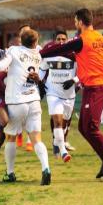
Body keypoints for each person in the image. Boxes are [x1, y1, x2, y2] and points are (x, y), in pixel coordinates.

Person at [40, 8, 103, 181]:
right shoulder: (100, 38)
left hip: (96, 86)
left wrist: (39, 53)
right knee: (84, 128)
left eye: (75, 21)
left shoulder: (82, 40)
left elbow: (60, 49)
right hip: (92, 86)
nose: (75, 24)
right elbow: (83, 57)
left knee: (90, 127)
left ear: (80, 21)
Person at [0, 29, 51, 185]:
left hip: (16, 98)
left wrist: (37, 79)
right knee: (3, 120)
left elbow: (38, 77)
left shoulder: (30, 54)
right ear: (13, 43)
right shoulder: (4, 52)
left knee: (0, 140)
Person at [40, 28, 78, 161]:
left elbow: (83, 72)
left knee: (65, 122)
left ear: (67, 40)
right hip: (53, 93)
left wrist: (74, 80)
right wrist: (39, 84)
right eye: (58, 39)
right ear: (54, 41)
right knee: (57, 120)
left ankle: (57, 142)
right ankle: (62, 151)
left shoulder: (74, 54)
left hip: (69, 95)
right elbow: (42, 70)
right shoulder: (49, 54)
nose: (61, 42)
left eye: (63, 39)